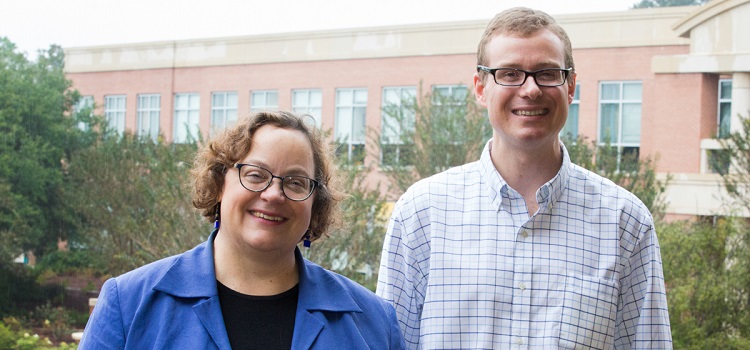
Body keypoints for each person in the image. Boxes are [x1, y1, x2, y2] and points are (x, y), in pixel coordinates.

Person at [376, 7, 672, 349]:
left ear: (570, 85)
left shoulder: (626, 223)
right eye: (510, 73)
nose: (530, 89)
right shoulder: (420, 214)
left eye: (547, 73)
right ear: (480, 88)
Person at [79, 110, 406, 349]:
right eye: (255, 174)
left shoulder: (373, 323)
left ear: (314, 203)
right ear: (220, 182)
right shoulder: (129, 304)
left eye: (295, 182)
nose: (273, 194)